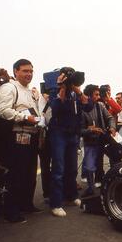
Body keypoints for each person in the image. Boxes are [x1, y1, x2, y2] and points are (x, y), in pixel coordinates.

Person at [0, 59, 42, 223]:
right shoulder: (9, 87)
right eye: (25, 71)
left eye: (31, 71)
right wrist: (24, 117)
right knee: (16, 175)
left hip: (32, 136)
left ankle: (26, 204)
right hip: (16, 136)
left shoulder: (30, 91)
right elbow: (1, 111)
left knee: (29, 174)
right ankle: (11, 210)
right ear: (15, 71)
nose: (28, 74)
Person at [48, 68, 93, 217]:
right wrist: (61, 86)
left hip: (73, 134)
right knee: (59, 169)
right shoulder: (54, 90)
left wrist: (77, 90)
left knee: (72, 169)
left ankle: (72, 196)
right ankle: (56, 203)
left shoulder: (76, 93)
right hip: (58, 133)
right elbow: (55, 108)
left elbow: (88, 106)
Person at [81, 85, 116, 196]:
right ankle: (91, 188)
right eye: (96, 94)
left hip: (101, 140)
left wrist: (112, 127)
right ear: (89, 95)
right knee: (90, 166)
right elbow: (78, 129)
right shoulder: (81, 108)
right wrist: (90, 130)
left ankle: (102, 184)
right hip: (89, 142)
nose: (98, 96)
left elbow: (110, 117)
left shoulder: (100, 105)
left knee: (102, 162)